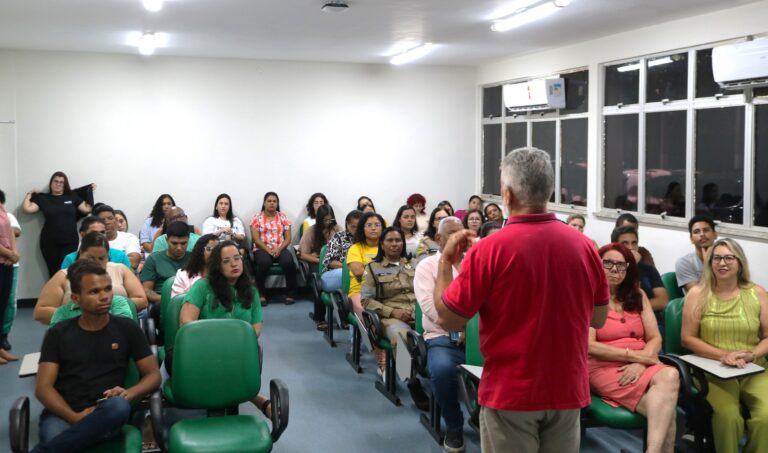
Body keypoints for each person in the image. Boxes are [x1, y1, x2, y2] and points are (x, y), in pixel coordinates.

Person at [433, 147, 609, 452]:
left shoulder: (489, 249)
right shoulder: (585, 246)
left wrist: (444, 263)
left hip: (511, 393)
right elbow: (599, 318)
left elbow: (449, 318)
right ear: (549, 190)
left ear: (507, 194)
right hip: (567, 390)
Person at [32, 261, 160, 452]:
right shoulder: (58, 333)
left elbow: (153, 376)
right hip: (64, 411)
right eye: (94, 292)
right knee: (63, 438)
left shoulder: (127, 328)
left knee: (119, 406)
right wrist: (74, 417)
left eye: (108, 289)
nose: (105, 296)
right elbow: (43, 388)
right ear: (75, 298)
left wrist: (129, 394)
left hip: (108, 410)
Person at [589, 243, 679, 453]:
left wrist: (640, 361)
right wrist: (635, 356)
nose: (614, 269)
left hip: (642, 363)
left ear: (628, 270)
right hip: (604, 368)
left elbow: (655, 337)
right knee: (669, 413)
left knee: (671, 375)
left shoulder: (637, 295)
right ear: (597, 266)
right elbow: (589, 347)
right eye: (608, 263)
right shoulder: (589, 296)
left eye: (621, 265)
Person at [681, 238, 768, 453]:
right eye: (716, 258)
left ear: (739, 262)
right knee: (729, 418)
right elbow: (687, 338)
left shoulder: (757, 293)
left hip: (753, 368)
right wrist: (723, 355)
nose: (722, 263)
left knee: (766, 416)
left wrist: (751, 355)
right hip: (712, 371)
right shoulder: (697, 294)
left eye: (729, 258)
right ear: (709, 263)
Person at [178, 241, 272, 415]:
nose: (234, 264)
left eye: (237, 258)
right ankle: (256, 398)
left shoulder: (251, 292)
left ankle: (246, 398)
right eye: (226, 261)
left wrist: (235, 341)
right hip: (202, 349)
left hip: (237, 349)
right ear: (217, 266)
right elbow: (186, 323)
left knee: (251, 350)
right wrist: (218, 342)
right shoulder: (202, 287)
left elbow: (256, 327)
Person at [414, 216, 467, 452]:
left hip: (479, 337)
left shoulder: (475, 263)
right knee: (443, 371)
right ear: (439, 238)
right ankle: (455, 427)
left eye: (462, 233)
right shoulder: (426, 267)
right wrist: (459, 327)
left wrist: (471, 330)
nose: (459, 239)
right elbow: (430, 307)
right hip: (442, 336)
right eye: (452, 234)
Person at [34, 232, 147, 325]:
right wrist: (82, 313)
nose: (95, 263)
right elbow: (40, 311)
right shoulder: (64, 276)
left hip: (116, 321)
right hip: (74, 328)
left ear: (108, 256)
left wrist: (107, 308)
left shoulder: (120, 269)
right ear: (80, 254)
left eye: (101, 258)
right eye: (90, 258)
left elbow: (142, 300)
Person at [361, 227, 416, 376]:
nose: (394, 244)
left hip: (419, 314)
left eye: (398, 240)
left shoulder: (414, 263)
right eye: (390, 240)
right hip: (391, 317)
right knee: (402, 338)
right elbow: (366, 300)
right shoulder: (373, 268)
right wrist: (392, 312)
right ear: (382, 245)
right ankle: (411, 380)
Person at [22, 172, 93, 277]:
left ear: (65, 185)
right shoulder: (43, 198)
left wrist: (89, 191)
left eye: (61, 182)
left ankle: (67, 293)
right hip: (49, 242)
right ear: (51, 183)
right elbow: (27, 209)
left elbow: (87, 209)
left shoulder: (72, 196)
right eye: (56, 181)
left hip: (70, 241)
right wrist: (30, 193)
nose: (58, 184)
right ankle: (54, 293)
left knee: (66, 271)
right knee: (53, 272)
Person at [250, 192, 297, 305]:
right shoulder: (256, 218)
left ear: (277, 203)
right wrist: (268, 250)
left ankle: (290, 294)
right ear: (264, 203)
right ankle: (261, 294)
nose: (272, 203)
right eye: (269, 201)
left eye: (274, 201)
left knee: (289, 262)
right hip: (262, 249)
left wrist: (279, 249)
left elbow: (288, 238)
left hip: (280, 248)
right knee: (264, 263)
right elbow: (256, 239)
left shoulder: (282, 217)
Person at [299, 205, 341, 329]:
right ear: (319, 219)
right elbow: (303, 254)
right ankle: (320, 317)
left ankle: (343, 315)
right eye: (325, 220)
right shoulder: (311, 231)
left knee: (347, 280)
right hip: (316, 262)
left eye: (330, 219)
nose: (328, 223)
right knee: (320, 283)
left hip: (335, 263)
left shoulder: (338, 229)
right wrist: (320, 260)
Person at [611, 226, 668, 313]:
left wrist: (633, 307)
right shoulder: (610, 270)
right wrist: (630, 267)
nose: (631, 247)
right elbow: (616, 297)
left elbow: (663, 301)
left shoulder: (649, 270)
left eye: (634, 243)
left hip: (650, 318)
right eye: (625, 243)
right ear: (615, 247)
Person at [140, 222, 192, 307]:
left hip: (190, 302)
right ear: (166, 240)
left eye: (183, 243)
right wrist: (171, 300)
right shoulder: (154, 259)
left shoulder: (194, 258)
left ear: (188, 240)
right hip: (162, 303)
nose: (179, 248)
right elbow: (147, 290)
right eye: (174, 243)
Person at [346, 212, 384, 316]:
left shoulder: (388, 247)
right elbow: (359, 273)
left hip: (386, 291)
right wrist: (385, 275)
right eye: (369, 225)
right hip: (360, 292)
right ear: (362, 228)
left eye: (377, 225)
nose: (373, 228)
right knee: (369, 318)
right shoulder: (355, 248)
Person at [60, 216, 132, 270]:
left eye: (102, 232)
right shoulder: (70, 259)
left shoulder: (120, 256)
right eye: (94, 233)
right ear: (82, 234)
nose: (99, 236)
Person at [321, 210, 362, 294]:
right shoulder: (339, 237)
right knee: (347, 274)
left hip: (361, 273)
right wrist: (352, 268)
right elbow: (330, 262)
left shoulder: (367, 239)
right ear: (347, 224)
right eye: (353, 226)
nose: (357, 230)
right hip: (336, 272)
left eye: (360, 227)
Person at [0, 189, 20, 363]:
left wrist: (13, 253)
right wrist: (9, 253)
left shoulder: (3, 212)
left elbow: (12, 233)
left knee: (2, 305)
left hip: (6, 263)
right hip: (4, 259)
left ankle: (0, 348)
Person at [675, 215, 717, 293]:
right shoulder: (684, 262)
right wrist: (707, 264)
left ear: (715, 235)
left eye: (706, 230)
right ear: (691, 239)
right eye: (696, 232)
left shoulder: (725, 259)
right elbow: (699, 295)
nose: (702, 234)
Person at [94, 204, 141, 270]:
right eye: (102, 219)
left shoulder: (129, 238)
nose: (107, 222)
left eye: (110, 218)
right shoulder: (89, 240)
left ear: (115, 220)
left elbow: (134, 263)